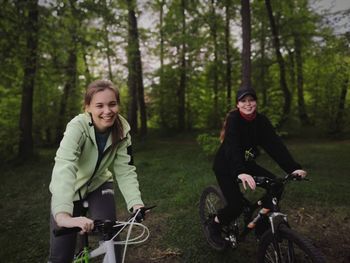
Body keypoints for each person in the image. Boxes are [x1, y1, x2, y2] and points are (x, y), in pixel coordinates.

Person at [48, 79, 145, 262]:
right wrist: (62, 215)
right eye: (99, 105)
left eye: (112, 104)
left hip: (100, 185)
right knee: (61, 256)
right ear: (87, 107)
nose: (107, 111)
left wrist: (136, 203)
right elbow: (64, 166)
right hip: (71, 189)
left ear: (118, 105)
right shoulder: (77, 127)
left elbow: (126, 169)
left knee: (112, 240)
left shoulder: (123, 131)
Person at [207, 87, 307, 250]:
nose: (248, 104)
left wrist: (293, 168)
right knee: (236, 205)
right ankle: (215, 225)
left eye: (251, 100)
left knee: (277, 185)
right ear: (237, 104)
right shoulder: (234, 119)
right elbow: (233, 146)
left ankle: (260, 227)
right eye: (243, 101)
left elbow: (275, 146)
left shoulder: (261, 121)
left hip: (246, 164)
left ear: (256, 102)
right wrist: (240, 172)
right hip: (226, 166)